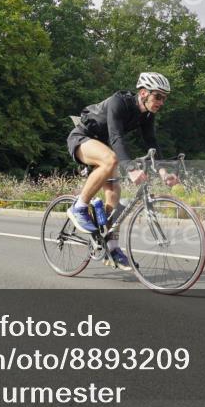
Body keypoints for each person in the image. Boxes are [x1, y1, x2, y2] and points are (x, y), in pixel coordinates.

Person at [65, 72, 180, 270]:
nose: (162, 102)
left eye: (165, 98)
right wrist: (130, 168)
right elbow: (116, 137)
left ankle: (111, 247)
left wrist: (163, 171)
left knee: (114, 197)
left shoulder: (148, 115)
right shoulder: (119, 102)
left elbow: (152, 142)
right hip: (82, 138)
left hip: (103, 146)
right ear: (143, 93)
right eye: (158, 96)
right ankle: (79, 207)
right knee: (111, 159)